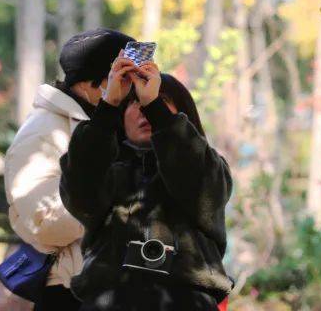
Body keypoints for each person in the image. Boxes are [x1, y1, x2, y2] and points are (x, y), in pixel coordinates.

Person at [59, 52, 233, 310]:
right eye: (135, 104)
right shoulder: (107, 170)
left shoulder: (206, 163)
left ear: (182, 114)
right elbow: (80, 192)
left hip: (187, 299)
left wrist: (156, 109)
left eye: (161, 102)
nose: (145, 112)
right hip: (109, 299)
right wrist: (108, 105)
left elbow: (203, 188)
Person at [4, 28, 134, 310]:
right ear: (91, 84)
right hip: (69, 293)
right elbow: (46, 224)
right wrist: (115, 201)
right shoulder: (42, 132)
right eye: (122, 78)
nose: (128, 89)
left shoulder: (111, 122)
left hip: (116, 288)